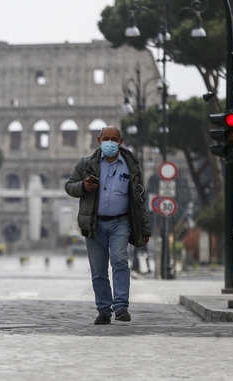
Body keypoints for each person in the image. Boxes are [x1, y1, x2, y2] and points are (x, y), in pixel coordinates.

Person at [65, 126, 150, 325]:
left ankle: (121, 307)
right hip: (94, 222)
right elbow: (69, 186)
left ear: (120, 141)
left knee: (120, 260)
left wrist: (145, 228)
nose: (110, 142)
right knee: (98, 270)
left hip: (121, 221)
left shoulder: (131, 166)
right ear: (99, 139)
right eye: (106, 138)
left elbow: (139, 200)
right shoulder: (87, 164)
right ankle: (104, 310)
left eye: (114, 139)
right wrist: (83, 186)